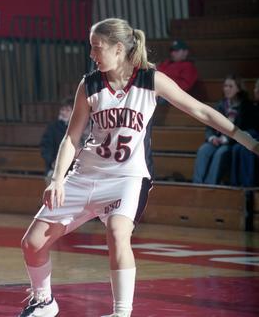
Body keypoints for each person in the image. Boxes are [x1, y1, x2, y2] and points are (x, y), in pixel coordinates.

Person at [17, 18, 259, 317]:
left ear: (118, 49)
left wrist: (245, 138)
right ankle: (43, 300)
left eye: (97, 48)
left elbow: (199, 110)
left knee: (118, 232)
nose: (92, 54)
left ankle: (121, 313)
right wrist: (57, 179)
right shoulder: (89, 83)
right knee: (32, 243)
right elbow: (72, 136)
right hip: (86, 173)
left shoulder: (150, 79)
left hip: (128, 177)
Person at [192, 74, 255, 185]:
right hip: (216, 140)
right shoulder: (221, 105)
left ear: (239, 88)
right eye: (225, 86)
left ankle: (210, 185)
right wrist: (212, 138)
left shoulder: (246, 107)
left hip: (231, 143)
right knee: (203, 150)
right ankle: (197, 185)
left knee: (221, 153)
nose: (227, 89)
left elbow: (245, 130)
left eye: (231, 86)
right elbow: (209, 126)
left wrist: (226, 140)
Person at [230, 78, 259, 186]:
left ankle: (248, 186)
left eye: (257, 88)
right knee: (237, 148)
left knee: (247, 148)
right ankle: (236, 185)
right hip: (253, 135)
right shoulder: (251, 105)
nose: (255, 90)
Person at [40, 97, 74, 183]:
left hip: (75, 169)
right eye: (62, 109)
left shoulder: (79, 127)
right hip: (55, 167)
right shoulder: (52, 127)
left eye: (67, 110)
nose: (64, 112)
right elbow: (46, 148)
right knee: (53, 179)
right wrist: (52, 161)